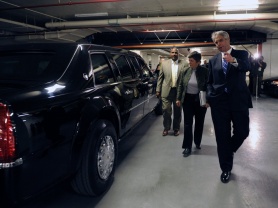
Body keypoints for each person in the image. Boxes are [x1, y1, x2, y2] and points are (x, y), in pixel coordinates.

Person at [207, 31, 253, 183]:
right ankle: (226, 168)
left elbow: (247, 67)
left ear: (228, 40)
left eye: (220, 40)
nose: (218, 44)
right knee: (222, 137)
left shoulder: (241, 54)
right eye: (216, 42)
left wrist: (233, 60)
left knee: (243, 131)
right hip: (219, 104)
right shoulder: (213, 60)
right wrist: (209, 97)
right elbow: (209, 82)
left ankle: (229, 149)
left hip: (238, 101)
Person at [176, 51, 209, 157]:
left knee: (199, 123)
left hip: (200, 100)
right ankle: (187, 146)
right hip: (187, 100)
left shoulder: (205, 71)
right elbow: (180, 85)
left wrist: (208, 101)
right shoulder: (185, 70)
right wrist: (178, 98)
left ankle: (197, 142)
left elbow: (209, 86)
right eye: (189, 60)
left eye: (191, 61)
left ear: (198, 62)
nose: (189, 62)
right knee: (187, 124)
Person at [156, 47, 187, 136]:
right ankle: (166, 127)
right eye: (172, 52)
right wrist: (158, 90)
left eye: (176, 53)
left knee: (177, 111)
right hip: (166, 91)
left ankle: (176, 128)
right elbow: (160, 78)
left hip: (178, 92)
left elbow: (186, 79)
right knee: (166, 110)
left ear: (178, 54)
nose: (174, 54)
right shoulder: (164, 64)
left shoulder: (184, 64)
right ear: (170, 53)